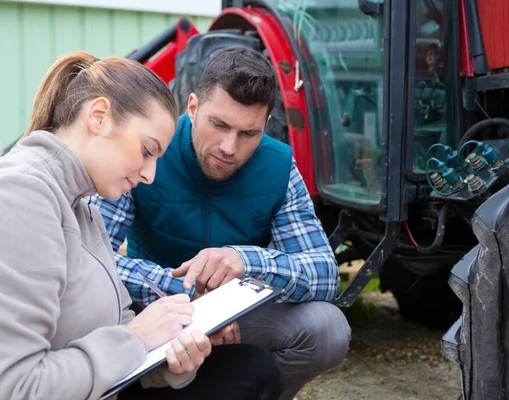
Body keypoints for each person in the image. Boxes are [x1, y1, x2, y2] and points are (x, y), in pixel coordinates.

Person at [0, 51, 284, 400]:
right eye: (146, 151)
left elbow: (115, 328)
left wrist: (168, 359)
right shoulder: (15, 199)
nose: (151, 174)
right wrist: (137, 339)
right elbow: (14, 388)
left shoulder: (80, 207)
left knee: (251, 369)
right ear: (99, 116)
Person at [92, 46, 352, 400]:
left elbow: (324, 271)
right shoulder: (151, 148)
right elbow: (90, 258)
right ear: (193, 107)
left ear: (265, 126)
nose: (230, 147)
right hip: (148, 310)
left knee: (328, 328)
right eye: (219, 125)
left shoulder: (278, 166)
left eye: (249, 133)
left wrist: (244, 261)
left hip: (236, 316)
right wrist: (181, 289)